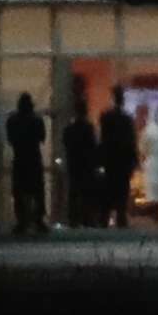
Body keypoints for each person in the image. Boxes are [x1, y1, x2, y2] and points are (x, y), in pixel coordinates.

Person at [5, 93, 47, 235]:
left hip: (20, 158)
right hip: (34, 158)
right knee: (37, 191)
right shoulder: (37, 120)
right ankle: (38, 220)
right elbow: (42, 138)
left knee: (19, 190)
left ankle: (22, 220)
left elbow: (10, 140)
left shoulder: (12, 120)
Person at [98, 85, 139, 228]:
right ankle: (121, 218)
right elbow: (131, 141)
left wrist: (100, 159)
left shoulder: (106, 117)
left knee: (108, 190)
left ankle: (104, 219)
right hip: (123, 160)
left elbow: (102, 139)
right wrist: (134, 161)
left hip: (110, 159)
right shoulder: (127, 119)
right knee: (122, 191)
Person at [62, 87, 99, 228]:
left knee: (74, 192)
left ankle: (73, 219)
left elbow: (65, 143)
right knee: (86, 193)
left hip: (74, 164)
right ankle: (87, 218)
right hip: (86, 165)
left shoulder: (69, 129)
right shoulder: (88, 128)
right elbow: (93, 146)